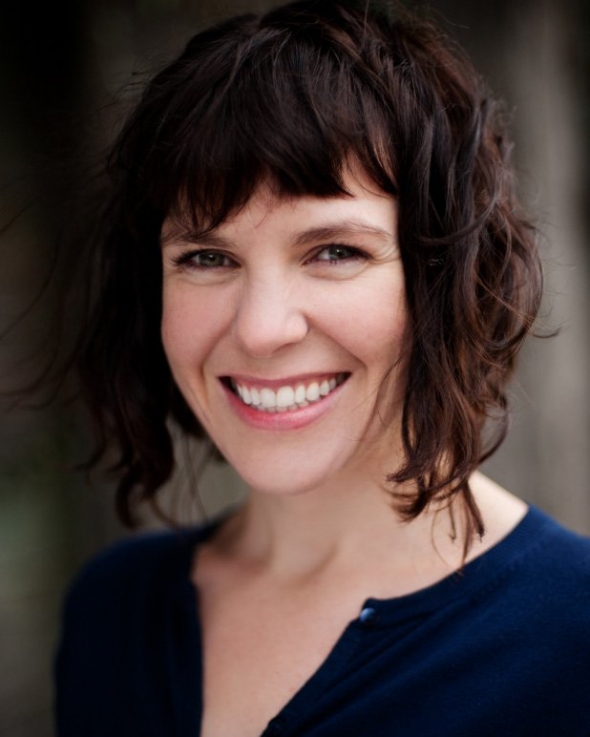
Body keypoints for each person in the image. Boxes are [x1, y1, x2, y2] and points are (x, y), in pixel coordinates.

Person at [52, 0, 590, 735]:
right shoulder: (110, 611)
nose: (261, 329)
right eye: (206, 257)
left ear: (448, 278)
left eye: (335, 251)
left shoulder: (572, 639)